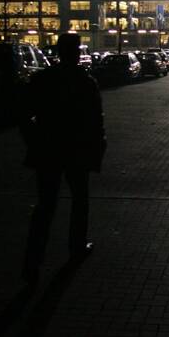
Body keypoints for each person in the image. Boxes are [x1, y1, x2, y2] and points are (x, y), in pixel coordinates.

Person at [21, 33, 106, 284]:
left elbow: (24, 114)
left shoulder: (42, 80)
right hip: (77, 150)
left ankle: (33, 261)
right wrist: (98, 146)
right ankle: (76, 247)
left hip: (48, 150)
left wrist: (33, 141)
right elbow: (95, 119)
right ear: (77, 52)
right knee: (80, 200)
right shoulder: (85, 82)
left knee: (45, 205)